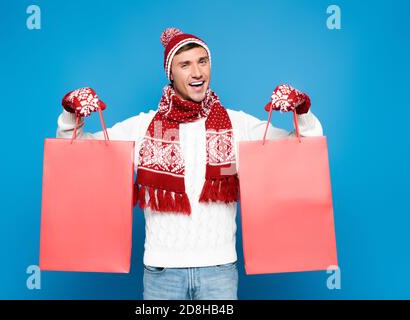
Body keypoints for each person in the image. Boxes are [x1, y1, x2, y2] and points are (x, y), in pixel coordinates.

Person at [57, 28, 323, 300]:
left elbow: (306, 143)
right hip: (162, 272)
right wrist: (70, 115)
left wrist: (302, 111)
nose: (197, 72)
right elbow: (77, 150)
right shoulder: (143, 126)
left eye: (202, 61)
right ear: (171, 73)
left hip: (219, 270)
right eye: (185, 65)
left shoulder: (236, 124)